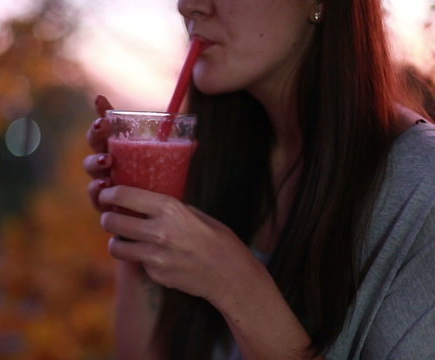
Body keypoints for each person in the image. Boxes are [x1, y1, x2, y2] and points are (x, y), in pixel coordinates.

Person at [84, 0, 435, 358]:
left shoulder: (425, 187)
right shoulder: (217, 160)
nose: (188, 6)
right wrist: (140, 222)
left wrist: (238, 287)